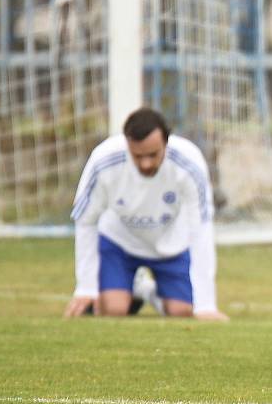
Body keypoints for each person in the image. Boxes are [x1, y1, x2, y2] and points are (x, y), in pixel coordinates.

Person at [63, 107, 228, 321]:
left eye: (153, 155)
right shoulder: (104, 160)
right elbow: (86, 220)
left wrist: (206, 304)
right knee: (112, 310)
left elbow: (201, 228)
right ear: (127, 144)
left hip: (171, 245)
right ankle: (128, 287)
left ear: (166, 143)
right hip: (119, 242)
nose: (145, 163)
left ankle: (146, 290)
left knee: (182, 312)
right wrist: (86, 288)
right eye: (137, 156)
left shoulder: (189, 163)